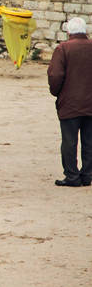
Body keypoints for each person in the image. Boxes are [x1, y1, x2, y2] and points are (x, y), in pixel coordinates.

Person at [47, 17, 92, 187]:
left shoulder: (63, 48)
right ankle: (87, 175)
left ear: (68, 32)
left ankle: (72, 175)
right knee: (89, 141)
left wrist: (57, 93)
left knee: (69, 141)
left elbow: (55, 75)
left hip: (70, 103)